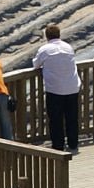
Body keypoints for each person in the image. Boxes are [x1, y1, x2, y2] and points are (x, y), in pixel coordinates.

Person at [32, 24, 81, 152]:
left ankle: (58, 146)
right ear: (59, 34)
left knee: (56, 119)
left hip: (55, 89)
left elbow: (36, 65)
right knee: (72, 117)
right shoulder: (68, 47)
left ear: (47, 36)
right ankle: (73, 143)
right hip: (72, 87)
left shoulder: (45, 49)